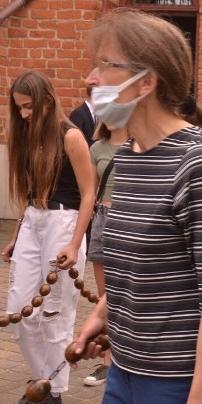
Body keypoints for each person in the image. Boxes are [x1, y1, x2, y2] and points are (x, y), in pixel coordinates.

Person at [71, 8, 202, 404]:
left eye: (105, 65)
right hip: (125, 368)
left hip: (177, 383)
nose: (90, 78)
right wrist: (104, 315)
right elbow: (134, 263)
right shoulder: (130, 155)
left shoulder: (198, 164)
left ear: (146, 82)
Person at [1, 70, 94, 404]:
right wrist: (15, 235)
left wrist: (74, 241)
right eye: (19, 108)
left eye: (28, 106)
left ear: (47, 102)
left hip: (64, 221)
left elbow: (89, 193)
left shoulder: (71, 136)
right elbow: (28, 194)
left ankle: (52, 390)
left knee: (55, 312)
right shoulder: (29, 137)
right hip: (34, 219)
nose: (23, 114)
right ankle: (41, 379)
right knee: (19, 310)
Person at [82, 120, 128, 387]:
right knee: (105, 296)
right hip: (102, 218)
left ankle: (128, 357)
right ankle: (109, 362)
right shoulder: (97, 148)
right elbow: (88, 193)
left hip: (129, 218)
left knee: (126, 292)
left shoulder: (140, 145)